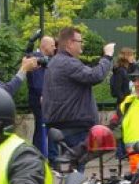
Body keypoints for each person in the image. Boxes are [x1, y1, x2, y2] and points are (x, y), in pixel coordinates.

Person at [43, 26, 114, 154]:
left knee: (62, 164)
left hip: (60, 127)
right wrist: (107, 56)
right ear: (70, 43)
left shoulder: (54, 62)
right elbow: (95, 76)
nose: (82, 44)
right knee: (74, 164)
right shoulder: (68, 63)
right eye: (80, 41)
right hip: (74, 128)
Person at [25, 33, 55, 156]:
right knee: (42, 130)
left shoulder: (42, 59)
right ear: (44, 46)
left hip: (41, 99)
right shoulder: (36, 59)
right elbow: (38, 82)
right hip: (40, 100)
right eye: (52, 45)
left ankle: (41, 155)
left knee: (42, 129)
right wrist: (43, 95)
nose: (54, 48)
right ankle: (41, 157)